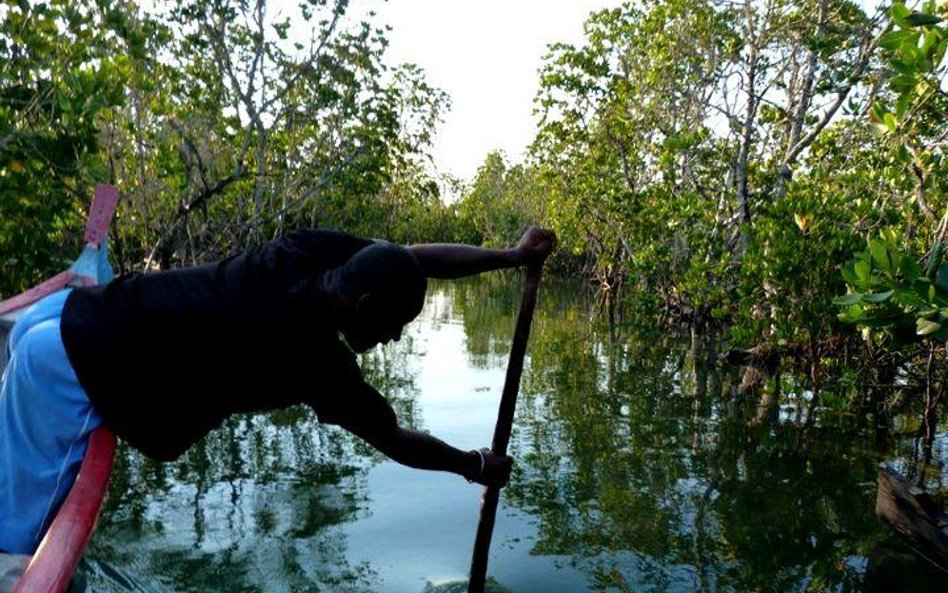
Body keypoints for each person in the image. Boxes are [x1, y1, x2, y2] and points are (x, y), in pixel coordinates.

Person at [0, 225, 556, 554]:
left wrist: (511, 258)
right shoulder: (312, 360)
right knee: (17, 541)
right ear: (364, 308)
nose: (392, 339)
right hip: (69, 362)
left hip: (63, 312)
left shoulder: (308, 252)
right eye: (394, 326)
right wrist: (473, 464)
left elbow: (411, 260)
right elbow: (393, 439)